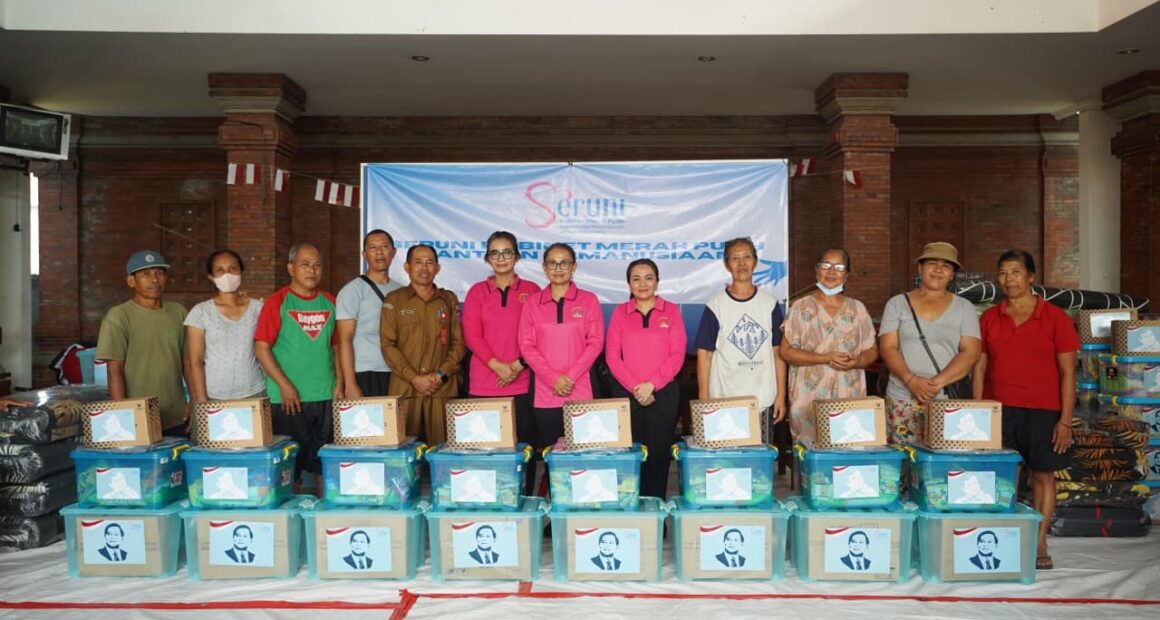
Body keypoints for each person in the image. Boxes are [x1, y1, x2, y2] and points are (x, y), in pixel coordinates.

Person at [973, 249, 1078, 571]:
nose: (1009, 279)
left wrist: (1065, 421)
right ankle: (1004, 536)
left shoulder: (1055, 318)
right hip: (998, 409)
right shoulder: (990, 317)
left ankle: (1039, 541)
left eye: (1016, 272)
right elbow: (980, 366)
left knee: (1042, 475)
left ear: (1031, 276)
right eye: (1003, 272)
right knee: (1004, 476)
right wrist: (978, 412)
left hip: (1043, 411)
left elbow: (1068, 373)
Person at [255, 243, 342, 496]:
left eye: (317, 265)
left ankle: (324, 516)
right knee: (289, 467)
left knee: (325, 464)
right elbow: (261, 348)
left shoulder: (330, 302)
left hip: (326, 395)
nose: (312, 270)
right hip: (288, 399)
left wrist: (339, 383)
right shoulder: (277, 302)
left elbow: (337, 347)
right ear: (291, 268)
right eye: (305, 264)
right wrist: (285, 386)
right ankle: (289, 517)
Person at [879, 242, 981, 445]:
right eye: (932, 263)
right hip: (902, 397)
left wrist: (936, 384)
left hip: (945, 399)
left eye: (946, 266)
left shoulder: (965, 308)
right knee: (903, 456)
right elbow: (888, 347)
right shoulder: (897, 304)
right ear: (920, 268)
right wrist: (910, 380)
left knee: (944, 459)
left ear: (952, 274)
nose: (938, 270)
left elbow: (971, 352)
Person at [463, 231, 541, 492]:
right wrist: (498, 367)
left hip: (523, 383)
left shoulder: (532, 291)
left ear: (516, 257)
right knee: (485, 452)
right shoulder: (477, 292)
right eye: (494, 253)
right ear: (487, 259)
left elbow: (538, 334)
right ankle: (488, 500)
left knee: (524, 450)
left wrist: (517, 366)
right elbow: (472, 336)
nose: (501, 258)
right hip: (484, 384)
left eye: (507, 252)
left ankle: (524, 499)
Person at [605, 258, 687, 499]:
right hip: (626, 394)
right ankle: (632, 506)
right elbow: (612, 357)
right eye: (636, 279)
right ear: (629, 284)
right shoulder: (620, 313)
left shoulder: (671, 311)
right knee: (630, 454)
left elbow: (677, 354)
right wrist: (636, 388)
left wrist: (651, 385)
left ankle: (655, 506)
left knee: (658, 455)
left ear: (657, 282)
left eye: (648, 278)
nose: (642, 284)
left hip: (662, 394)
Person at [780, 248, 878, 444]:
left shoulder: (857, 308)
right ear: (817, 270)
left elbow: (872, 351)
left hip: (848, 394)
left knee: (848, 448)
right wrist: (824, 357)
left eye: (839, 267)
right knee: (809, 452)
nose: (832, 271)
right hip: (808, 400)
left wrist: (857, 361)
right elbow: (786, 352)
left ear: (846, 274)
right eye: (826, 265)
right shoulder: (800, 307)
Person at [696, 238, 787, 444]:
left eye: (747, 257)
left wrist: (780, 395)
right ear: (726, 264)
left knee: (760, 459)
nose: (742, 263)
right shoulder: (715, 305)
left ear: (755, 261)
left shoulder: (769, 304)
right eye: (735, 258)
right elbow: (704, 354)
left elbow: (777, 353)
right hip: (724, 399)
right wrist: (704, 400)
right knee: (726, 459)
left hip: (762, 400)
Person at [518, 243, 605, 456]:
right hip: (545, 392)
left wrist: (570, 377)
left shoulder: (588, 300)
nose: (558, 268)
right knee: (552, 456)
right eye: (552, 263)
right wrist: (553, 379)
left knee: (584, 454)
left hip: (581, 389)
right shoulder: (532, 303)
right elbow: (526, 345)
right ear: (544, 268)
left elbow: (595, 342)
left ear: (574, 266)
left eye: (564, 263)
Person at [380, 244, 466, 444]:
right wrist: (414, 378)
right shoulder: (395, 300)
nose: (424, 268)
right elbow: (388, 345)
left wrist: (440, 375)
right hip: (406, 389)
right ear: (407, 267)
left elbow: (459, 343)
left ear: (438, 268)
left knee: (443, 451)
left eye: (429, 263)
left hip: (442, 390)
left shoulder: (448, 300)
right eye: (418, 262)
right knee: (404, 453)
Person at [96, 250, 188, 434]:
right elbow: (114, 370)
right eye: (146, 274)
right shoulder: (118, 316)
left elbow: (188, 363)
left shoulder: (179, 312)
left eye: (159, 273)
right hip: (138, 418)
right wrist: (122, 415)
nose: (154, 280)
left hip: (178, 415)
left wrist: (194, 401)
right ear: (131, 281)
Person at [185, 249, 266, 407]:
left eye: (233, 268)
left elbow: (267, 350)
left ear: (241, 272)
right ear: (211, 276)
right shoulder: (201, 312)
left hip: (254, 393)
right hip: (214, 396)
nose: (227, 274)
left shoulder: (259, 309)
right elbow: (195, 361)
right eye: (220, 270)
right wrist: (202, 400)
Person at [336, 230, 403, 399]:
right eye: (373, 248)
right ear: (364, 254)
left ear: (394, 252)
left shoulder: (401, 291)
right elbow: (344, 340)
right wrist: (350, 383)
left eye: (384, 247)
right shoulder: (352, 291)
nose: (379, 252)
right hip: (365, 373)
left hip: (397, 372)